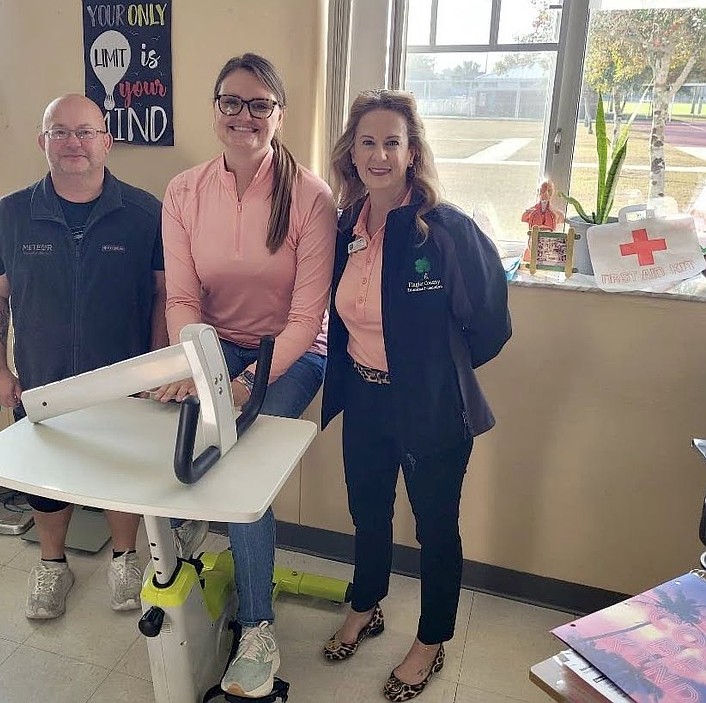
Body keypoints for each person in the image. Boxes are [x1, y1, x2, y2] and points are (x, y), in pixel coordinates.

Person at [0, 93, 206, 621]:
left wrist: (157, 364)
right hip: (42, 378)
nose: (73, 143)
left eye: (85, 132)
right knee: (43, 475)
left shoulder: (146, 213)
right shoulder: (10, 215)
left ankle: (126, 558)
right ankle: (52, 564)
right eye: (60, 132)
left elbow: (164, 295)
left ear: (106, 141)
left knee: (119, 471)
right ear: (43, 142)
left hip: (121, 378)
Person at [155, 54, 336, 698]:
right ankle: (194, 533)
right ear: (214, 110)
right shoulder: (183, 191)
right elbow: (182, 298)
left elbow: (307, 315)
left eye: (259, 105)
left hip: (292, 351)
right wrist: (198, 367)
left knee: (243, 462)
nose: (244, 115)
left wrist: (245, 385)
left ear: (279, 117)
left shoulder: (312, 198)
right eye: (231, 102)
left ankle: (258, 627)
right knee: (169, 425)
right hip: (214, 342)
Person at [321, 90, 511, 702]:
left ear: (412, 151)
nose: (379, 154)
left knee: (435, 528)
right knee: (367, 510)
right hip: (365, 398)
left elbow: (489, 325)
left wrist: (433, 371)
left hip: (430, 408)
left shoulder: (446, 229)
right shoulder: (346, 225)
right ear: (352, 151)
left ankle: (430, 640)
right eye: (367, 142)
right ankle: (367, 603)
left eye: (392, 142)